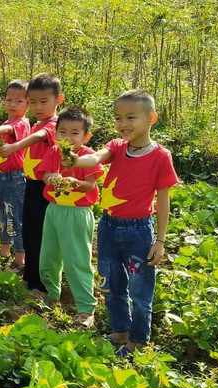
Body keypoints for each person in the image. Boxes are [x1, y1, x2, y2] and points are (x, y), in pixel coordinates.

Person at [65, 89, 178, 358]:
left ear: (151, 118)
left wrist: (160, 241)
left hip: (139, 231)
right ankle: (120, 331)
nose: (123, 124)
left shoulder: (160, 156)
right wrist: (75, 160)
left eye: (131, 117)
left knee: (140, 289)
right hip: (108, 226)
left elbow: (163, 201)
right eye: (118, 118)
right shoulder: (117, 146)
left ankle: (139, 339)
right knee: (110, 282)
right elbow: (95, 158)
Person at [0, 72, 63, 294]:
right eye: (32, 102)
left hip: (46, 187)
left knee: (42, 235)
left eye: (44, 102)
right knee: (30, 232)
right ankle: (30, 278)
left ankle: (43, 285)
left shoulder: (54, 125)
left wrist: (15, 147)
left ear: (58, 100)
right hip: (31, 184)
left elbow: (40, 137)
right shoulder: (36, 123)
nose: (37, 107)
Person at [38, 107, 103, 329]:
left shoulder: (87, 156)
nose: (67, 137)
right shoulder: (54, 152)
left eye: (74, 133)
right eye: (62, 132)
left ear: (86, 136)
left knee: (77, 260)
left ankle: (86, 309)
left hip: (77, 214)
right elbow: (45, 175)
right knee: (48, 256)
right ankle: (52, 294)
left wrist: (74, 183)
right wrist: (51, 177)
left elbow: (90, 185)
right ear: (56, 134)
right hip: (54, 209)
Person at [0, 79, 30, 274]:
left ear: (28, 104)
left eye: (19, 101)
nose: (12, 104)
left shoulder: (22, 124)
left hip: (15, 179)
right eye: (9, 99)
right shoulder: (5, 122)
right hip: (1, 177)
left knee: (14, 217)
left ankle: (20, 259)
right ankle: (4, 252)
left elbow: (9, 131)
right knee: (0, 215)